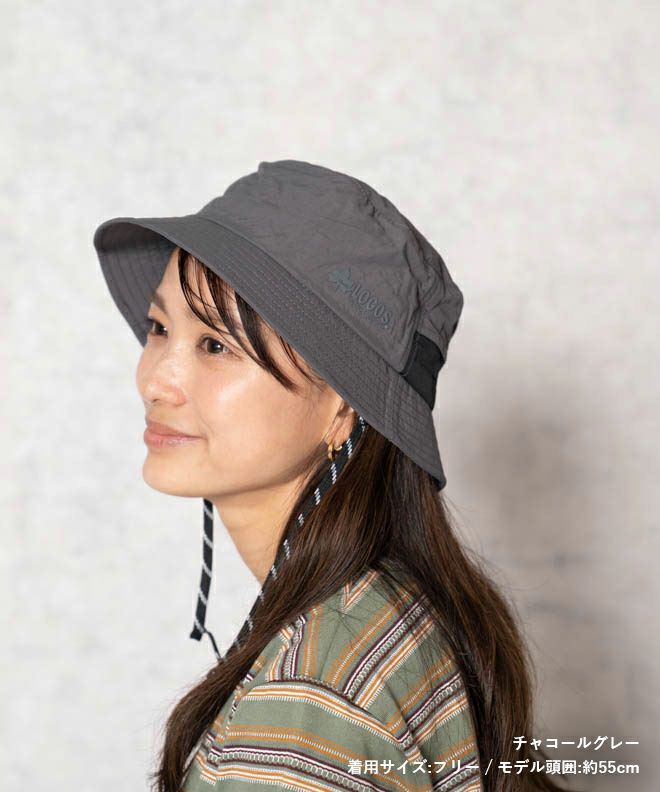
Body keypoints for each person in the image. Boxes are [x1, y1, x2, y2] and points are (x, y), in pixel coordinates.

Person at [93, 160, 573, 792]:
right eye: (160, 329)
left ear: (343, 406)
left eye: (215, 345)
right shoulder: (386, 609)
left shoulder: (308, 699)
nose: (155, 380)